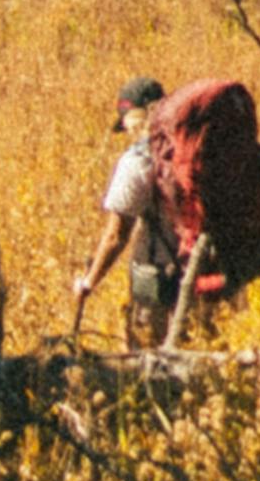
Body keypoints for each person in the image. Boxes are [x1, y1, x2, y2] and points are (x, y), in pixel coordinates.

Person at [61, 78, 186, 350]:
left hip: (159, 278)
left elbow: (116, 236)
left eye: (126, 123)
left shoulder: (139, 159)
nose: (127, 132)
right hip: (211, 273)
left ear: (135, 116)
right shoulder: (195, 147)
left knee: (150, 367)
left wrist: (88, 282)